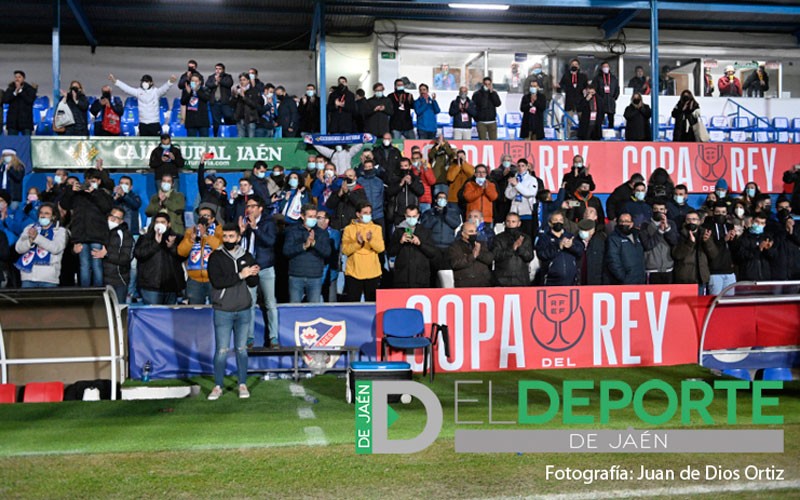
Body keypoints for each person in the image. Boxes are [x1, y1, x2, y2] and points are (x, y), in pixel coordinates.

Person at [207, 223, 260, 401]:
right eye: (226, 236)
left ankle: (242, 384)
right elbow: (217, 282)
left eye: (231, 236)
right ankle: (218, 386)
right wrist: (240, 275)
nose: (228, 239)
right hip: (223, 309)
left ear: (238, 237)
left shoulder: (246, 256)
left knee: (241, 349)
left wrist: (253, 274)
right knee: (221, 350)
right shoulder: (215, 257)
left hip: (243, 309)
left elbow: (253, 284)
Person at [60, 171, 114, 287]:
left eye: (93, 181)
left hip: (97, 235)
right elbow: (64, 205)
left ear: (99, 182)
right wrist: (71, 191)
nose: (90, 183)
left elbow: (107, 207)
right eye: (88, 181)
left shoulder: (102, 193)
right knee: (84, 265)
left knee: (96, 265)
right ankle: (85, 292)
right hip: (81, 235)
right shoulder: (78, 195)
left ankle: (99, 292)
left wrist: (94, 192)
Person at [239, 195, 279, 345]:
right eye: (247, 206)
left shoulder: (268, 222)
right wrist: (242, 232)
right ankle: (249, 337)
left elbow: (270, 241)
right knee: (249, 303)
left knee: (270, 303)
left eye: (252, 206)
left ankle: (273, 337)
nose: (249, 209)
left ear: (260, 208)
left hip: (265, 267)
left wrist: (255, 228)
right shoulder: (245, 222)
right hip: (248, 268)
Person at [283, 204, 332, 303]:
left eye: (315, 217)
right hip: (296, 275)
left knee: (314, 310)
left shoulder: (322, 233)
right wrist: (303, 246)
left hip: (315, 277)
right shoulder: (292, 231)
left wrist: (314, 244)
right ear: (302, 216)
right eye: (310, 216)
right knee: (295, 308)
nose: (313, 219)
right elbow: (286, 251)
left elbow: (327, 252)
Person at [134, 214, 185, 305]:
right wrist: (155, 243)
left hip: (171, 287)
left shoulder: (176, 238)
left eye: (162, 222)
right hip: (151, 286)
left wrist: (172, 246)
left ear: (168, 224)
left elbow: (182, 256)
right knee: (153, 316)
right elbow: (139, 254)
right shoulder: (145, 238)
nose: (159, 224)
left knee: (169, 317)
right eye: (157, 222)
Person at [177, 203, 222, 305]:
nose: (202, 218)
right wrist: (191, 240)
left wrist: (205, 235)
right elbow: (181, 252)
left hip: (213, 278)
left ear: (212, 219)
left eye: (206, 216)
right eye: (201, 216)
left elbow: (220, 248)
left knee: (216, 309)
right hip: (194, 279)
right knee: (195, 310)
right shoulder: (191, 231)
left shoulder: (219, 231)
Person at [14, 203, 66, 287]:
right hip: (28, 277)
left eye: (47, 213)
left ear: (53, 216)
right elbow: (19, 248)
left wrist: (36, 238)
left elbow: (56, 248)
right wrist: (30, 241)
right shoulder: (30, 228)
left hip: (48, 278)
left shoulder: (60, 231)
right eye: (41, 213)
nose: (43, 216)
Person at [110, 72, 176, 136]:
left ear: (151, 82)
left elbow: (164, 89)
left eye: (147, 81)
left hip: (154, 123)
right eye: (143, 81)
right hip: (143, 124)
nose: (145, 83)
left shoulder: (156, 92)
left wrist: (170, 82)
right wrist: (115, 81)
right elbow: (127, 89)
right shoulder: (138, 92)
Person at [341, 203, 384, 301]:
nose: (368, 215)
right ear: (358, 214)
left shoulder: (377, 228)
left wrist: (371, 241)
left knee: (372, 305)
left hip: (373, 273)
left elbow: (381, 248)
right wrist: (358, 243)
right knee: (352, 305)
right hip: (354, 273)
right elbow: (345, 250)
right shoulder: (348, 229)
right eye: (365, 213)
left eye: (369, 213)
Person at [388, 205, 437, 289]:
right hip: (402, 279)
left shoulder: (425, 231)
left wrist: (420, 244)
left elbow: (432, 253)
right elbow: (390, 252)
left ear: (418, 216)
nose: (411, 219)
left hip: (420, 278)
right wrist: (400, 242)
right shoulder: (398, 231)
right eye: (409, 216)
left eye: (414, 216)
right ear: (405, 216)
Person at [672, 210, 719, 291]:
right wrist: (690, 243)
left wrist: (707, 242)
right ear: (685, 221)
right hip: (685, 279)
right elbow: (677, 255)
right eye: (688, 219)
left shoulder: (705, 234)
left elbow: (713, 254)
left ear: (699, 221)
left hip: (701, 279)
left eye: (694, 219)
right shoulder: (679, 235)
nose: (691, 222)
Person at [535, 211, 582, 286]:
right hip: (551, 282)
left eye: (560, 220)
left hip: (571, 282)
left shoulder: (570, 236)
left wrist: (571, 246)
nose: (558, 222)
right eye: (555, 220)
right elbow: (541, 254)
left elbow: (580, 251)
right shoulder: (544, 238)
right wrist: (558, 247)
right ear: (550, 223)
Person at [703, 201, 739, 294]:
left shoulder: (730, 226)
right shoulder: (707, 227)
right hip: (714, 272)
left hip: (730, 271)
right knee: (714, 302)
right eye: (718, 212)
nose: (720, 215)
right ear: (713, 212)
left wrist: (734, 239)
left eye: (723, 212)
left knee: (729, 303)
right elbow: (709, 247)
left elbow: (734, 249)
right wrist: (724, 239)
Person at [639, 200, 678, 284]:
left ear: (666, 211)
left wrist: (667, 228)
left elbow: (674, 241)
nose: (658, 211)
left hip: (668, 268)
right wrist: (660, 231)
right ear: (652, 210)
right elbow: (647, 245)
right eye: (656, 209)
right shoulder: (645, 225)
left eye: (661, 209)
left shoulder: (671, 223)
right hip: (652, 269)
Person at [492, 212, 534, 287]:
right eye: (508, 221)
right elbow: (496, 256)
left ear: (519, 223)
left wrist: (520, 248)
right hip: (502, 279)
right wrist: (512, 248)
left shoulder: (525, 238)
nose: (510, 224)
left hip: (521, 279)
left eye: (513, 221)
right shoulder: (498, 238)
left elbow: (529, 257)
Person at [102, 207, 134, 304]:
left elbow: (126, 258)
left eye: (116, 218)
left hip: (119, 280)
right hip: (101, 280)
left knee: (119, 310)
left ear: (121, 221)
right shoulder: (99, 230)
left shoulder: (125, 235)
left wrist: (107, 254)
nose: (112, 219)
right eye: (111, 216)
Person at [605, 212, 646, 285]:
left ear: (632, 223)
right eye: (621, 221)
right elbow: (613, 260)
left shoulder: (638, 236)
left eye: (627, 221)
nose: (624, 224)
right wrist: (624, 278)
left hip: (640, 280)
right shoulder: (613, 238)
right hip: (625, 282)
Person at [449, 221, 493, 288]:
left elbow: (489, 259)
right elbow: (455, 263)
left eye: (475, 231)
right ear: (463, 234)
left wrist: (479, 254)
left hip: (483, 283)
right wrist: (472, 256)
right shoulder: (455, 246)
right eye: (471, 231)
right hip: (464, 284)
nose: (474, 234)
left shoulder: (481, 244)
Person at [734, 212, 775, 281]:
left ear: (764, 225)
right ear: (752, 221)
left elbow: (773, 256)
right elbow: (740, 255)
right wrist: (758, 249)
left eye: (762, 223)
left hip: (765, 277)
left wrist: (768, 249)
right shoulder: (744, 237)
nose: (759, 225)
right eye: (757, 222)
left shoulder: (767, 237)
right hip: (748, 277)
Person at [385, 158, 424, 230]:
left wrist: (411, 183)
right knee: (398, 237)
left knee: (412, 236)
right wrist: (400, 184)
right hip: (399, 215)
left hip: (413, 215)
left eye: (406, 166)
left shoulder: (415, 178)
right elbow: (389, 192)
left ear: (410, 166)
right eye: (401, 166)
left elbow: (421, 192)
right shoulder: (395, 179)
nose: (403, 168)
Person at [504, 159, 539, 237]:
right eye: (518, 166)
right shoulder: (514, 179)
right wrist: (514, 187)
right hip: (514, 211)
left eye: (523, 166)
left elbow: (530, 193)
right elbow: (508, 195)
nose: (520, 168)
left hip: (527, 212)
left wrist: (517, 185)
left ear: (527, 167)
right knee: (513, 236)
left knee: (526, 235)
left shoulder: (532, 179)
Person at [558, 59, 588, 135]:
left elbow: (586, 87)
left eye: (576, 64)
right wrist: (558, 87)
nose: (574, 66)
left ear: (579, 66)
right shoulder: (566, 76)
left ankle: (582, 136)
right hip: (569, 102)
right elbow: (561, 86)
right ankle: (567, 136)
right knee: (568, 120)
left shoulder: (583, 76)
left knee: (583, 120)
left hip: (580, 101)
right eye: (573, 64)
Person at [316, 211, 341, 302]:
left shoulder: (334, 233)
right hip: (315, 274)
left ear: (327, 220)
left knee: (331, 303)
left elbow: (330, 251)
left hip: (329, 273)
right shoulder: (311, 232)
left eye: (319, 218)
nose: (316, 220)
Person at [3, 70, 37, 135]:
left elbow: (30, 100)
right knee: (12, 143)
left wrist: (20, 91)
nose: (17, 79)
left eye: (19, 77)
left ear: (23, 78)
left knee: (26, 142)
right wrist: (15, 92)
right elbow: (5, 100)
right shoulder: (10, 88)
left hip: (26, 121)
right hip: (13, 121)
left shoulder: (29, 89)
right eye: (16, 77)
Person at [205, 63, 234, 137]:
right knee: (216, 121)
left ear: (223, 70)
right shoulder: (211, 77)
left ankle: (229, 134)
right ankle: (216, 136)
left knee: (228, 116)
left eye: (219, 69)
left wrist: (220, 81)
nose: (218, 70)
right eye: (216, 69)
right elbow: (208, 84)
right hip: (214, 102)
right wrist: (215, 82)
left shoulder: (227, 77)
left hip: (224, 102)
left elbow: (229, 84)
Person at [357, 159, 385, 231]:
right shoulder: (360, 181)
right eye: (366, 167)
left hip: (378, 214)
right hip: (364, 215)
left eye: (370, 166)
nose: (368, 169)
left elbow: (382, 196)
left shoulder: (379, 181)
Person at [576, 218, 606, 285]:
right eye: (581, 230)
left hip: (595, 282)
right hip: (578, 281)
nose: (583, 232)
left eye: (586, 230)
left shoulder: (600, 242)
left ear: (592, 231)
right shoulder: (574, 241)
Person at [231, 72, 262, 138]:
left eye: (244, 80)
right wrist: (235, 96)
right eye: (241, 80)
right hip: (240, 118)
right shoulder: (237, 90)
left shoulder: (254, 91)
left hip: (250, 118)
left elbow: (254, 105)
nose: (242, 82)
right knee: (240, 140)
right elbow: (232, 105)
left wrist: (244, 97)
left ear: (248, 81)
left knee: (251, 140)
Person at [594, 61, 619, 128]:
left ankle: (611, 132)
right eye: (604, 67)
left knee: (611, 119)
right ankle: (598, 134)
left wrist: (614, 97)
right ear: (601, 68)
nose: (605, 68)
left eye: (607, 67)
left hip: (611, 102)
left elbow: (617, 89)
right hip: (601, 102)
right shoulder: (598, 78)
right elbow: (595, 89)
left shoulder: (613, 78)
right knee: (599, 119)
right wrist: (599, 99)